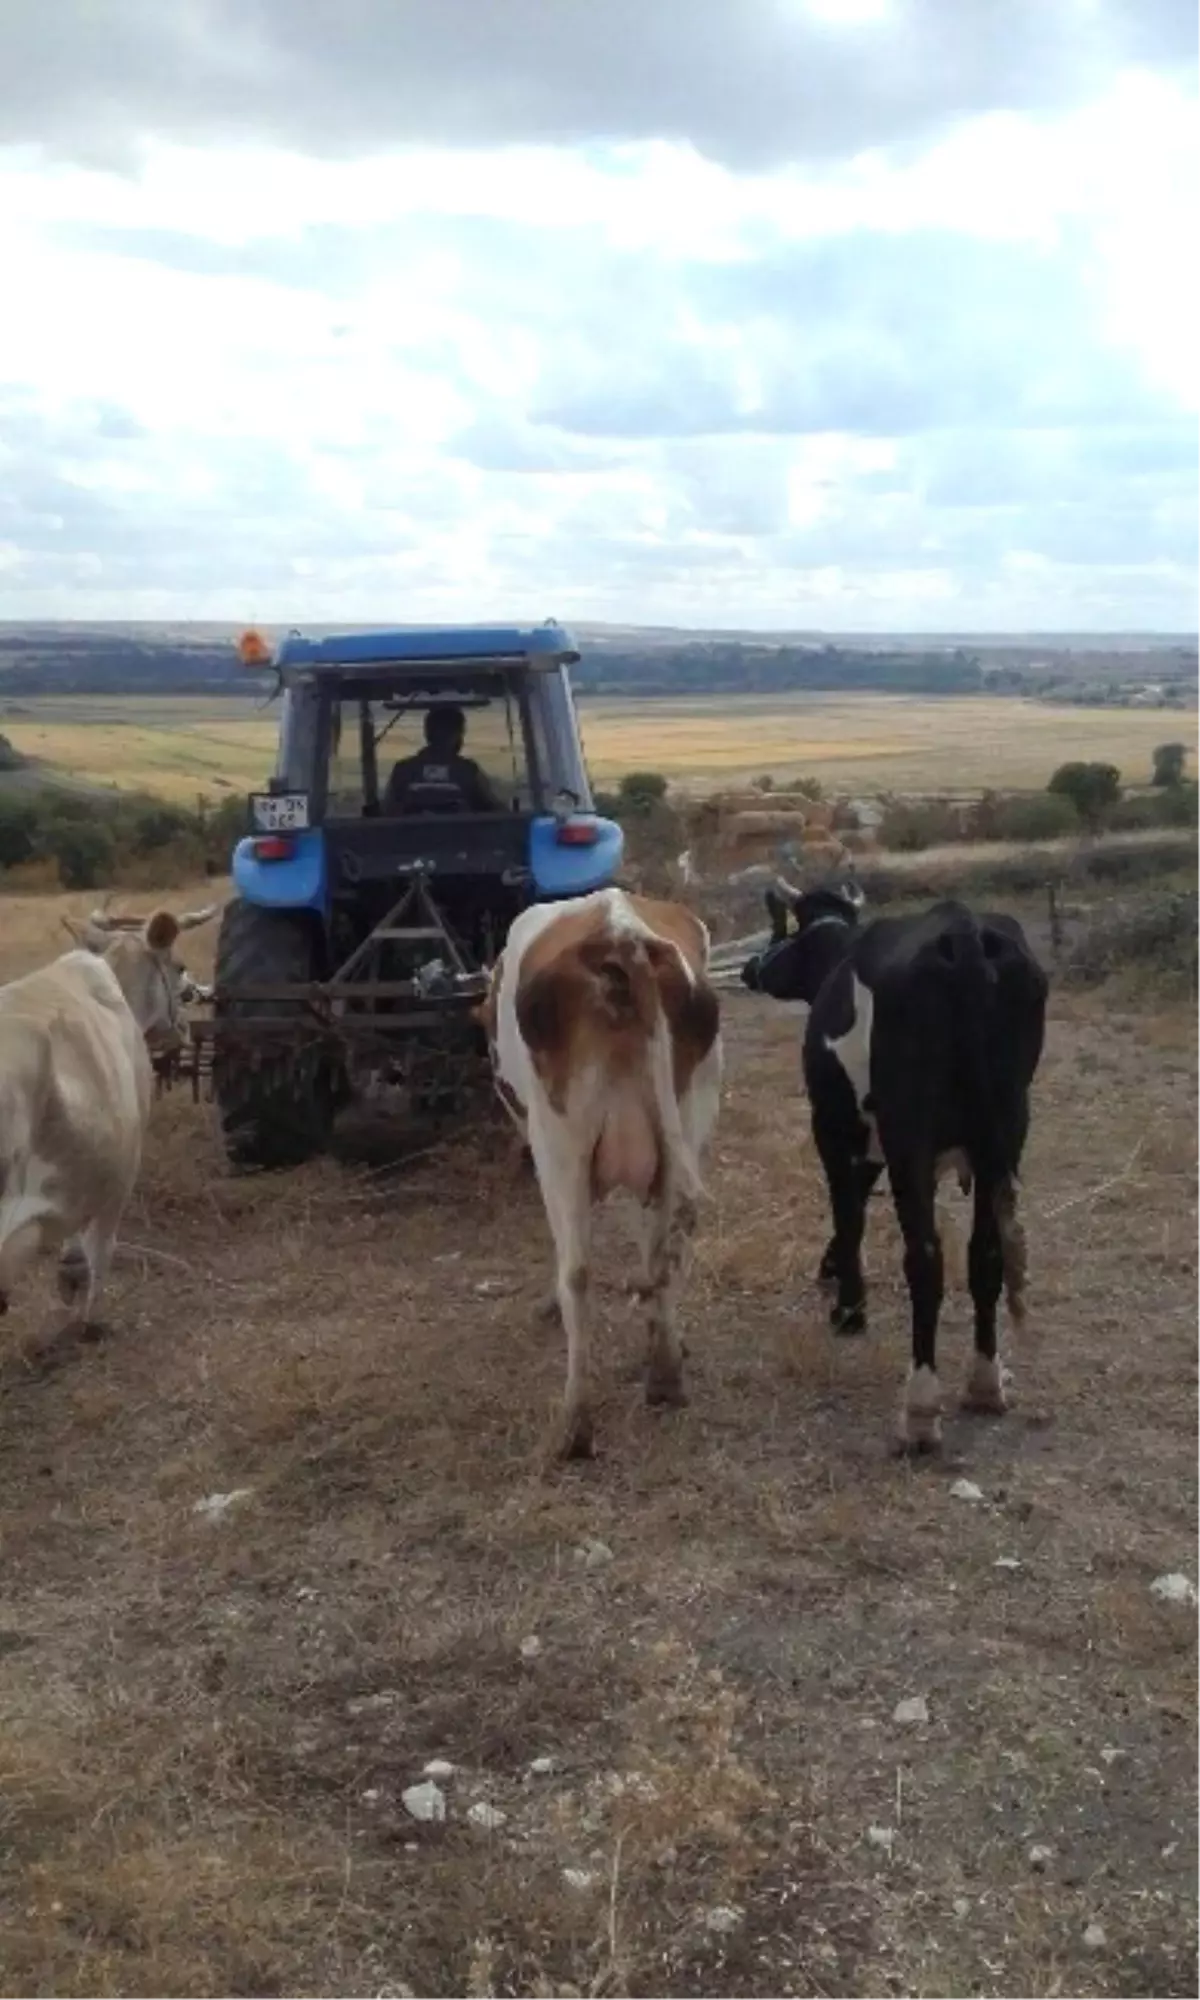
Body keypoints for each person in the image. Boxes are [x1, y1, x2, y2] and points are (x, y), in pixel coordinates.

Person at [381, 705, 504, 815]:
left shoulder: (402, 770)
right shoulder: (469, 771)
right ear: (456, 734)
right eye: (460, 733)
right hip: (464, 839)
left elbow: (387, 813)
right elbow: (497, 812)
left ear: (427, 733)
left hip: (409, 840)